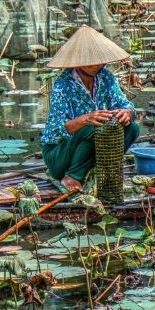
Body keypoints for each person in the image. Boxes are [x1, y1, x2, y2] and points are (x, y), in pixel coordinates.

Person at [41, 25, 139, 191]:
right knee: (92, 128)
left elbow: (125, 104)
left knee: (132, 128)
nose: (95, 64)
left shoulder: (106, 76)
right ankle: (72, 176)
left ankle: (103, 170)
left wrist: (127, 112)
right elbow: (54, 131)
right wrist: (84, 120)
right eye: (89, 60)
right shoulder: (62, 85)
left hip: (94, 147)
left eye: (98, 59)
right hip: (60, 155)